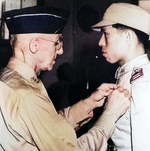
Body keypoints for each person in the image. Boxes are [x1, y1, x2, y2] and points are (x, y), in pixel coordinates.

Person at [0, 6, 130, 151]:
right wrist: (110, 115)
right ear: (34, 45)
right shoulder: (27, 95)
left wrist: (89, 103)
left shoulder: (10, 77)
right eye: (57, 42)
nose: (61, 50)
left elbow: (51, 126)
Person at [92, 2, 150, 151]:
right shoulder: (128, 74)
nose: (100, 42)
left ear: (128, 37)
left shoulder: (143, 82)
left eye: (106, 33)